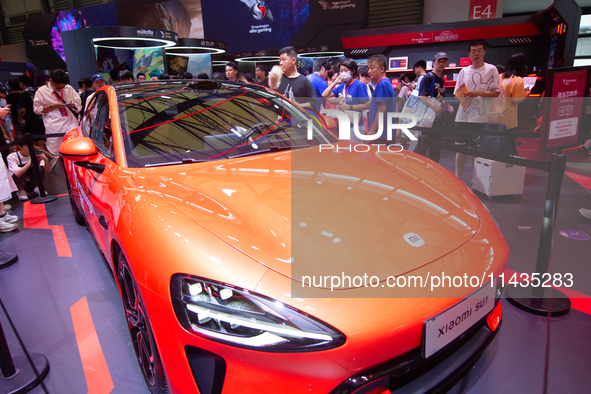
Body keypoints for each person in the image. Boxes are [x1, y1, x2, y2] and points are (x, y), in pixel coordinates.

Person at [453, 40, 500, 178]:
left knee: (476, 151)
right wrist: (464, 96)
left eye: (479, 50)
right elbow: (457, 94)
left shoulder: (491, 70)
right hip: (462, 117)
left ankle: (476, 180)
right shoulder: (463, 71)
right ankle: (457, 178)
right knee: (460, 149)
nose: (476, 54)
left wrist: (478, 93)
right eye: (473, 51)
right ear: (469, 54)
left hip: (480, 118)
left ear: (484, 52)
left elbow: (496, 92)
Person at [33, 69, 82, 162]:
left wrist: (73, 104)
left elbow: (78, 104)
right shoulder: (42, 91)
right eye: (58, 86)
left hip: (70, 123)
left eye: (63, 86)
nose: (61, 88)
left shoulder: (68, 88)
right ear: (51, 81)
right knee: (57, 151)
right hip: (54, 126)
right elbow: (37, 110)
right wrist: (53, 106)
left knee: (75, 149)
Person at [322, 58, 369, 140]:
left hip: (356, 126)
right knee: (344, 150)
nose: (343, 73)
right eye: (341, 71)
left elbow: (367, 105)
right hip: (343, 124)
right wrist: (335, 82)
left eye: (346, 70)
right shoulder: (342, 86)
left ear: (353, 71)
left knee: (356, 150)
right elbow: (324, 94)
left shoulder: (359, 85)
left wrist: (349, 107)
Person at [415, 52, 448, 160]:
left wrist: (445, 106)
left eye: (444, 61)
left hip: (437, 119)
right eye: (439, 61)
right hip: (427, 119)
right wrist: (434, 106)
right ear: (434, 62)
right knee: (424, 150)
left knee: (435, 150)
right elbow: (421, 96)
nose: (441, 64)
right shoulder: (428, 77)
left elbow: (439, 97)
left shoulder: (441, 80)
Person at [496, 53, 530, 153]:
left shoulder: (500, 76)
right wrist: (526, 94)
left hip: (494, 116)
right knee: (507, 144)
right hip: (508, 119)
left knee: (495, 143)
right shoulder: (518, 80)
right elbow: (517, 100)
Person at [275, 46, 317, 110]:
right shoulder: (278, 80)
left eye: (283, 60)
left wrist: (299, 105)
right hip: (280, 118)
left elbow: (314, 103)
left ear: (293, 60)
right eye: (280, 60)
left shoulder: (304, 81)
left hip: (297, 118)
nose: (281, 63)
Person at [367, 54, 396, 139]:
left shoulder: (382, 84)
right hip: (384, 132)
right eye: (368, 68)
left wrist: (372, 130)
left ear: (382, 69)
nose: (369, 71)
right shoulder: (385, 83)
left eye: (372, 68)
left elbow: (382, 108)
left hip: (381, 133)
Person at [17, 75, 47, 155]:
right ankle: (44, 162)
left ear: (21, 83)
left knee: (31, 144)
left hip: (30, 122)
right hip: (40, 120)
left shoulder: (23, 95)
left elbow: (22, 109)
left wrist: (19, 118)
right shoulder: (37, 93)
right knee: (40, 143)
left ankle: (49, 157)